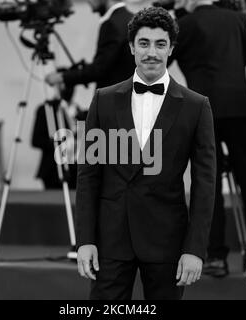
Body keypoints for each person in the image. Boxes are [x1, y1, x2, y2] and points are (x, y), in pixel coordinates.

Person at [76, 7, 216, 300]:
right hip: (111, 240)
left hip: (168, 241)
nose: (151, 52)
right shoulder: (102, 100)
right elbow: (89, 175)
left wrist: (195, 249)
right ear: (131, 47)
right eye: (144, 43)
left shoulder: (196, 105)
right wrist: (85, 241)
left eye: (160, 44)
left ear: (171, 48)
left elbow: (205, 183)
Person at [171, 0, 246, 277]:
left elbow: (160, 59)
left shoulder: (183, 26)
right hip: (240, 109)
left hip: (204, 111)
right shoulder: (237, 20)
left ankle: (215, 256)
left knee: (207, 182)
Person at [45, 0, 136, 89]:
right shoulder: (131, 19)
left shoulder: (111, 24)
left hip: (113, 100)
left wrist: (61, 77)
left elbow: (99, 70)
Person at [31, 83, 86, 189]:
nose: (67, 89)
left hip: (76, 171)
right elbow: (36, 140)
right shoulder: (47, 110)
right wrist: (62, 143)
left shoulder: (78, 111)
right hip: (54, 171)